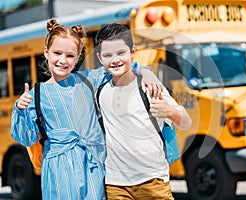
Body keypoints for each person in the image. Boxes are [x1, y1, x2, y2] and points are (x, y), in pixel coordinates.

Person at [10, 19, 162, 200]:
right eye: (57, 53)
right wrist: (20, 109)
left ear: (78, 57)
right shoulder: (36, 94)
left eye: (69, 55)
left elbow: (122, 68)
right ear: (46, 53)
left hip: (93, 165)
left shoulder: (89, 79)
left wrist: (147, 72)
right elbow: (27, 137)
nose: (62, 61)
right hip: (58, 170)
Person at [96, 23, 192, 200]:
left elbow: (186, 122)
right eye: (107, 55)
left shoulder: (150, 87)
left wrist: (169, 111)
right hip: (116, 184)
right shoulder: (100, 92)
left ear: (132, 52)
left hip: (153, 180)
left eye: (120, 53)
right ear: (100, 58)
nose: (114, 60)